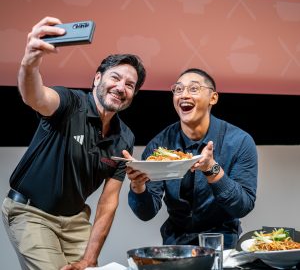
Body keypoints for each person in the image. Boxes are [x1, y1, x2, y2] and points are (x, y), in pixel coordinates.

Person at [1, 16, 146, 270]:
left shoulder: (125, 137)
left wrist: (89, 259)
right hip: (32, 213)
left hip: (76, 220)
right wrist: (30, 60)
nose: (121, 87)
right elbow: (35, 96)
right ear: (97, 79)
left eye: (130, 85)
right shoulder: (70, 103)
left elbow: (108, 202)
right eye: (115, 77)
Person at [124, 68, 257, 250]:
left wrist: (212, 169)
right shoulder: (159, 146)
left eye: (193, 89)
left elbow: (243, 206)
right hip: (176, 246)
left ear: (213, 98)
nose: (184, 95)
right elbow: (146, 213)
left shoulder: (239, 141)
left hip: (222, 245)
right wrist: (138, 187)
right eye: (178, 90)